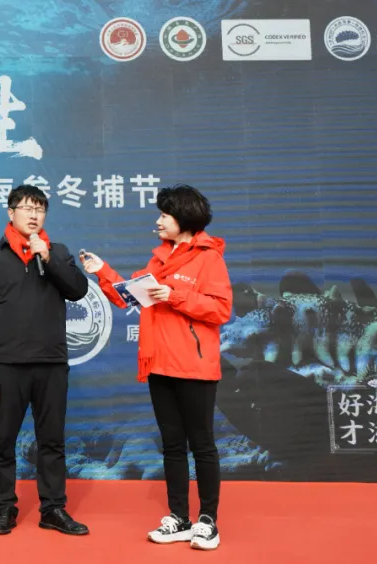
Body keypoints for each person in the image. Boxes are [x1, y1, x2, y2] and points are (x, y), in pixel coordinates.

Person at [79, 184, 231, 551]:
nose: (159, 221)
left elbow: (221, 309)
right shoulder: (159, 260)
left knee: (202, 445)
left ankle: (207, 521)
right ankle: (179, 517)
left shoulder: (209, 258)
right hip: (160, 365)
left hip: (194, 367)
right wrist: (102, 271)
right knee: (172, 445)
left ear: (184, 218)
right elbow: (128, 296)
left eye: (165, 215)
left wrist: (175, 296)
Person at [0, 184, 91, 536]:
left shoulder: (57, 252)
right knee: (2, 440)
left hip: (51, 362)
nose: (34, 215)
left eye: (40, 209)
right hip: (6, 364)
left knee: (51, 440)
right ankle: (4, 508)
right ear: (11, 213)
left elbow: (78, 290)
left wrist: (48, 258)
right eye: (26, 208)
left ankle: (53, 508)